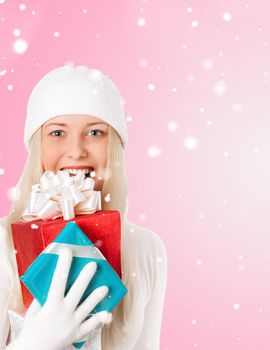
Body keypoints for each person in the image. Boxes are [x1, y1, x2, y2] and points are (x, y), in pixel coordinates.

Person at [0, 64, 168, 349]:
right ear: (37, 146)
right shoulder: (3, 243)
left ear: (114, 144)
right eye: (57, 133)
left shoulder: (146, 248)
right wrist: (35, 343)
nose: (76, 150)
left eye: (94, 133)